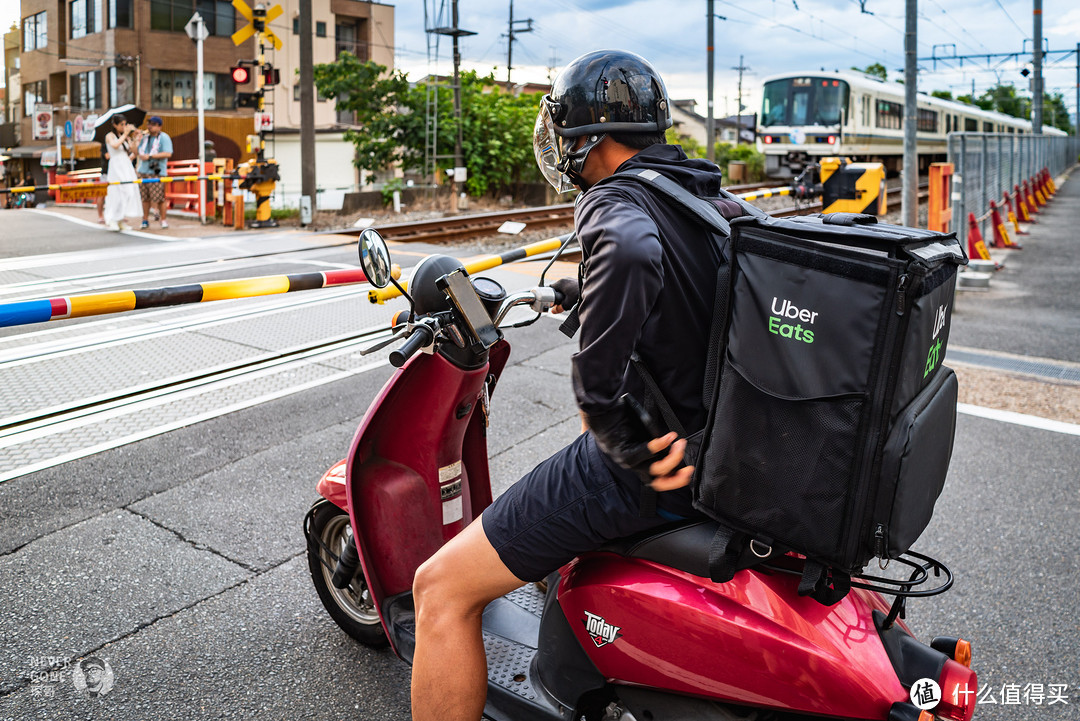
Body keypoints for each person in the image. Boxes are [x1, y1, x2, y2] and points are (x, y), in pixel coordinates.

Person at [410, 50, 728, 721]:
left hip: (644, 467)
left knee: (438, 586)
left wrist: (602, 407)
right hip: (716, 450)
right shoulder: (702, 194)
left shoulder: (614, 199)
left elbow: (635, 252)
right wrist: (579, 292)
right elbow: (678, 287)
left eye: (566, 127)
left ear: (596, 135)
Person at [103, 114, 143, 230]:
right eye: (122, 124)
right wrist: (125, 134)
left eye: (125, 124)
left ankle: (120, 218)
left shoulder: (125, 137)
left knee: (129, 191)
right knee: (116, 192)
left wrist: (135, 138)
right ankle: (112, 219)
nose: (124, 126)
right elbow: (115, 146)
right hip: (116, 166)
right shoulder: (109, 136)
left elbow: (134, 152)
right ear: (115, 125)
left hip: (126, 165)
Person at [137, 116, 174, 229]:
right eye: (149, 124)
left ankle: (163, 220)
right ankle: (145, 219)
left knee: (160, 198)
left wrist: (150, 156)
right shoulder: (144, 138)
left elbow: (168, 153)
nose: (150, 126)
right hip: (143, 171)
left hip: (157, 172)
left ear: (159, 126)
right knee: (145, 197)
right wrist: (136, 139)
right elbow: (136, 152)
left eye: (153, 124)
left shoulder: (164, 137)